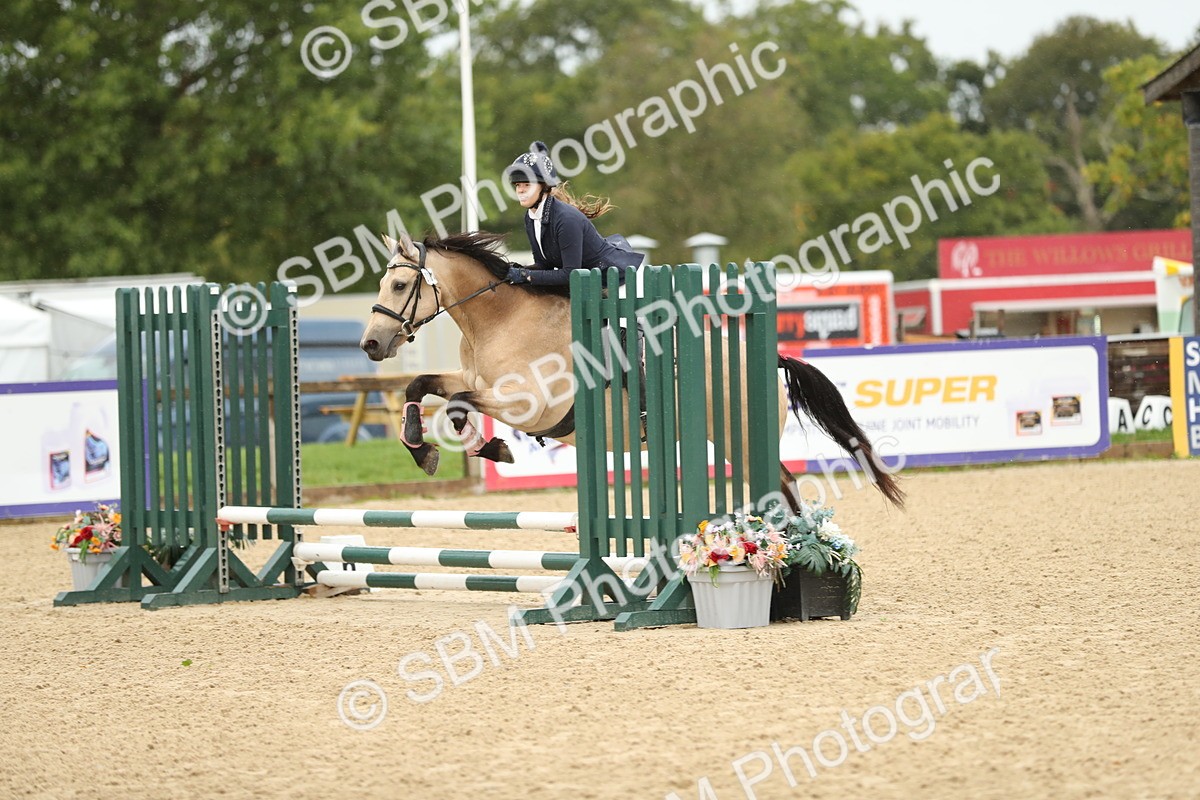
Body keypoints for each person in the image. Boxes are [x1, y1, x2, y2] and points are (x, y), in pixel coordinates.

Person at [503, 141, 644, 287]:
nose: (520, 190)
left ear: (544, 187)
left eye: (527, 185)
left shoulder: (565, 219)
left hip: (614, 282)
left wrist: (526, 276)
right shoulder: (530, 218)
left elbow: (571, 274)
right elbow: (544, 264)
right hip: (586, 283)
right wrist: (517, 270)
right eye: (518, 185)